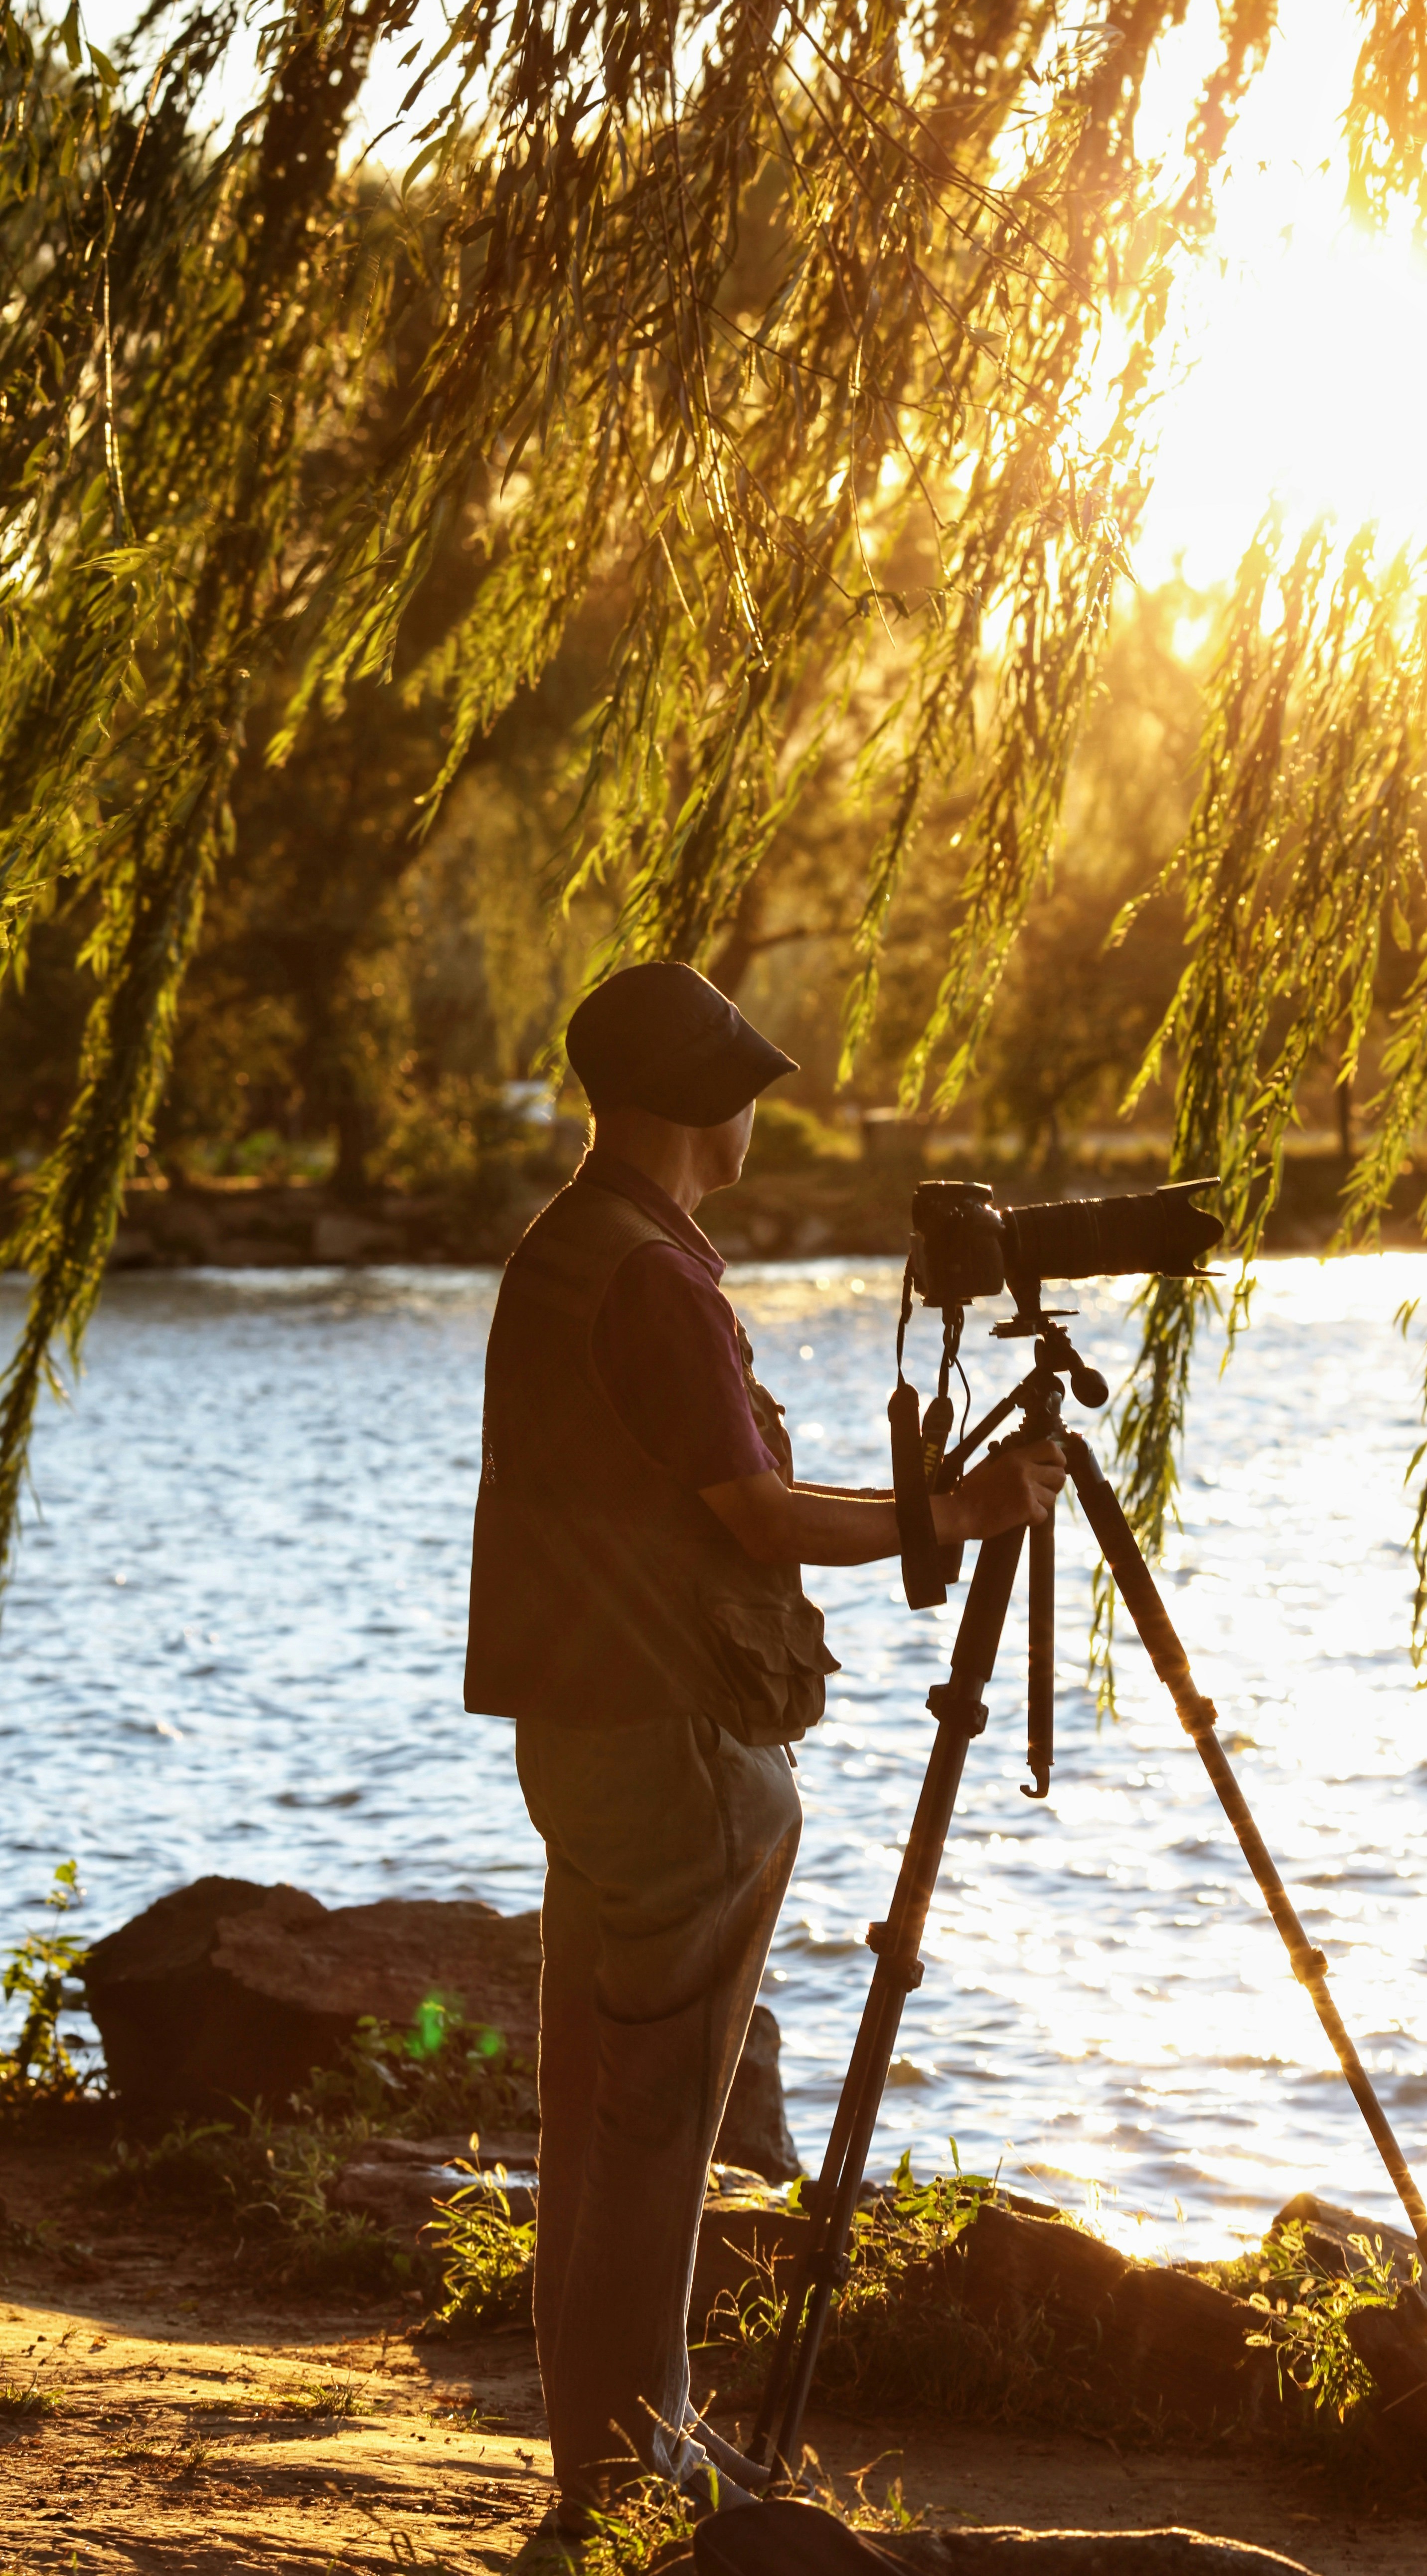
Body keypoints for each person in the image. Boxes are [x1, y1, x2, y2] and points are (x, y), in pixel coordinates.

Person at [465, 961, 1065, 2568]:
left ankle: (611, 2448)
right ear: (689, 1104)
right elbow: (756, 1519)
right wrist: (957, 1514)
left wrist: (928, 1514)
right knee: (657, 2118)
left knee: (595, 2107)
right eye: (739, 1086)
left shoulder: (566, 1247)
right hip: (673, 1741)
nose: (756, 1113)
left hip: (579, 1728)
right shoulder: (651, 1280)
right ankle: (635, 2467)